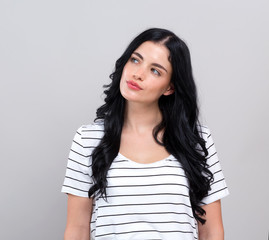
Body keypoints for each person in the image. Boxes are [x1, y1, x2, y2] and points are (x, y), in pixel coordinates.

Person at [61, 28, 229, 240]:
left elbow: (211, 230)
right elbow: (77, 229)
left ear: (170, 87)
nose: (137, 74)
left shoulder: (196, 141)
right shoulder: (88, 140)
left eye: (155, 70)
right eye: (135, 60)